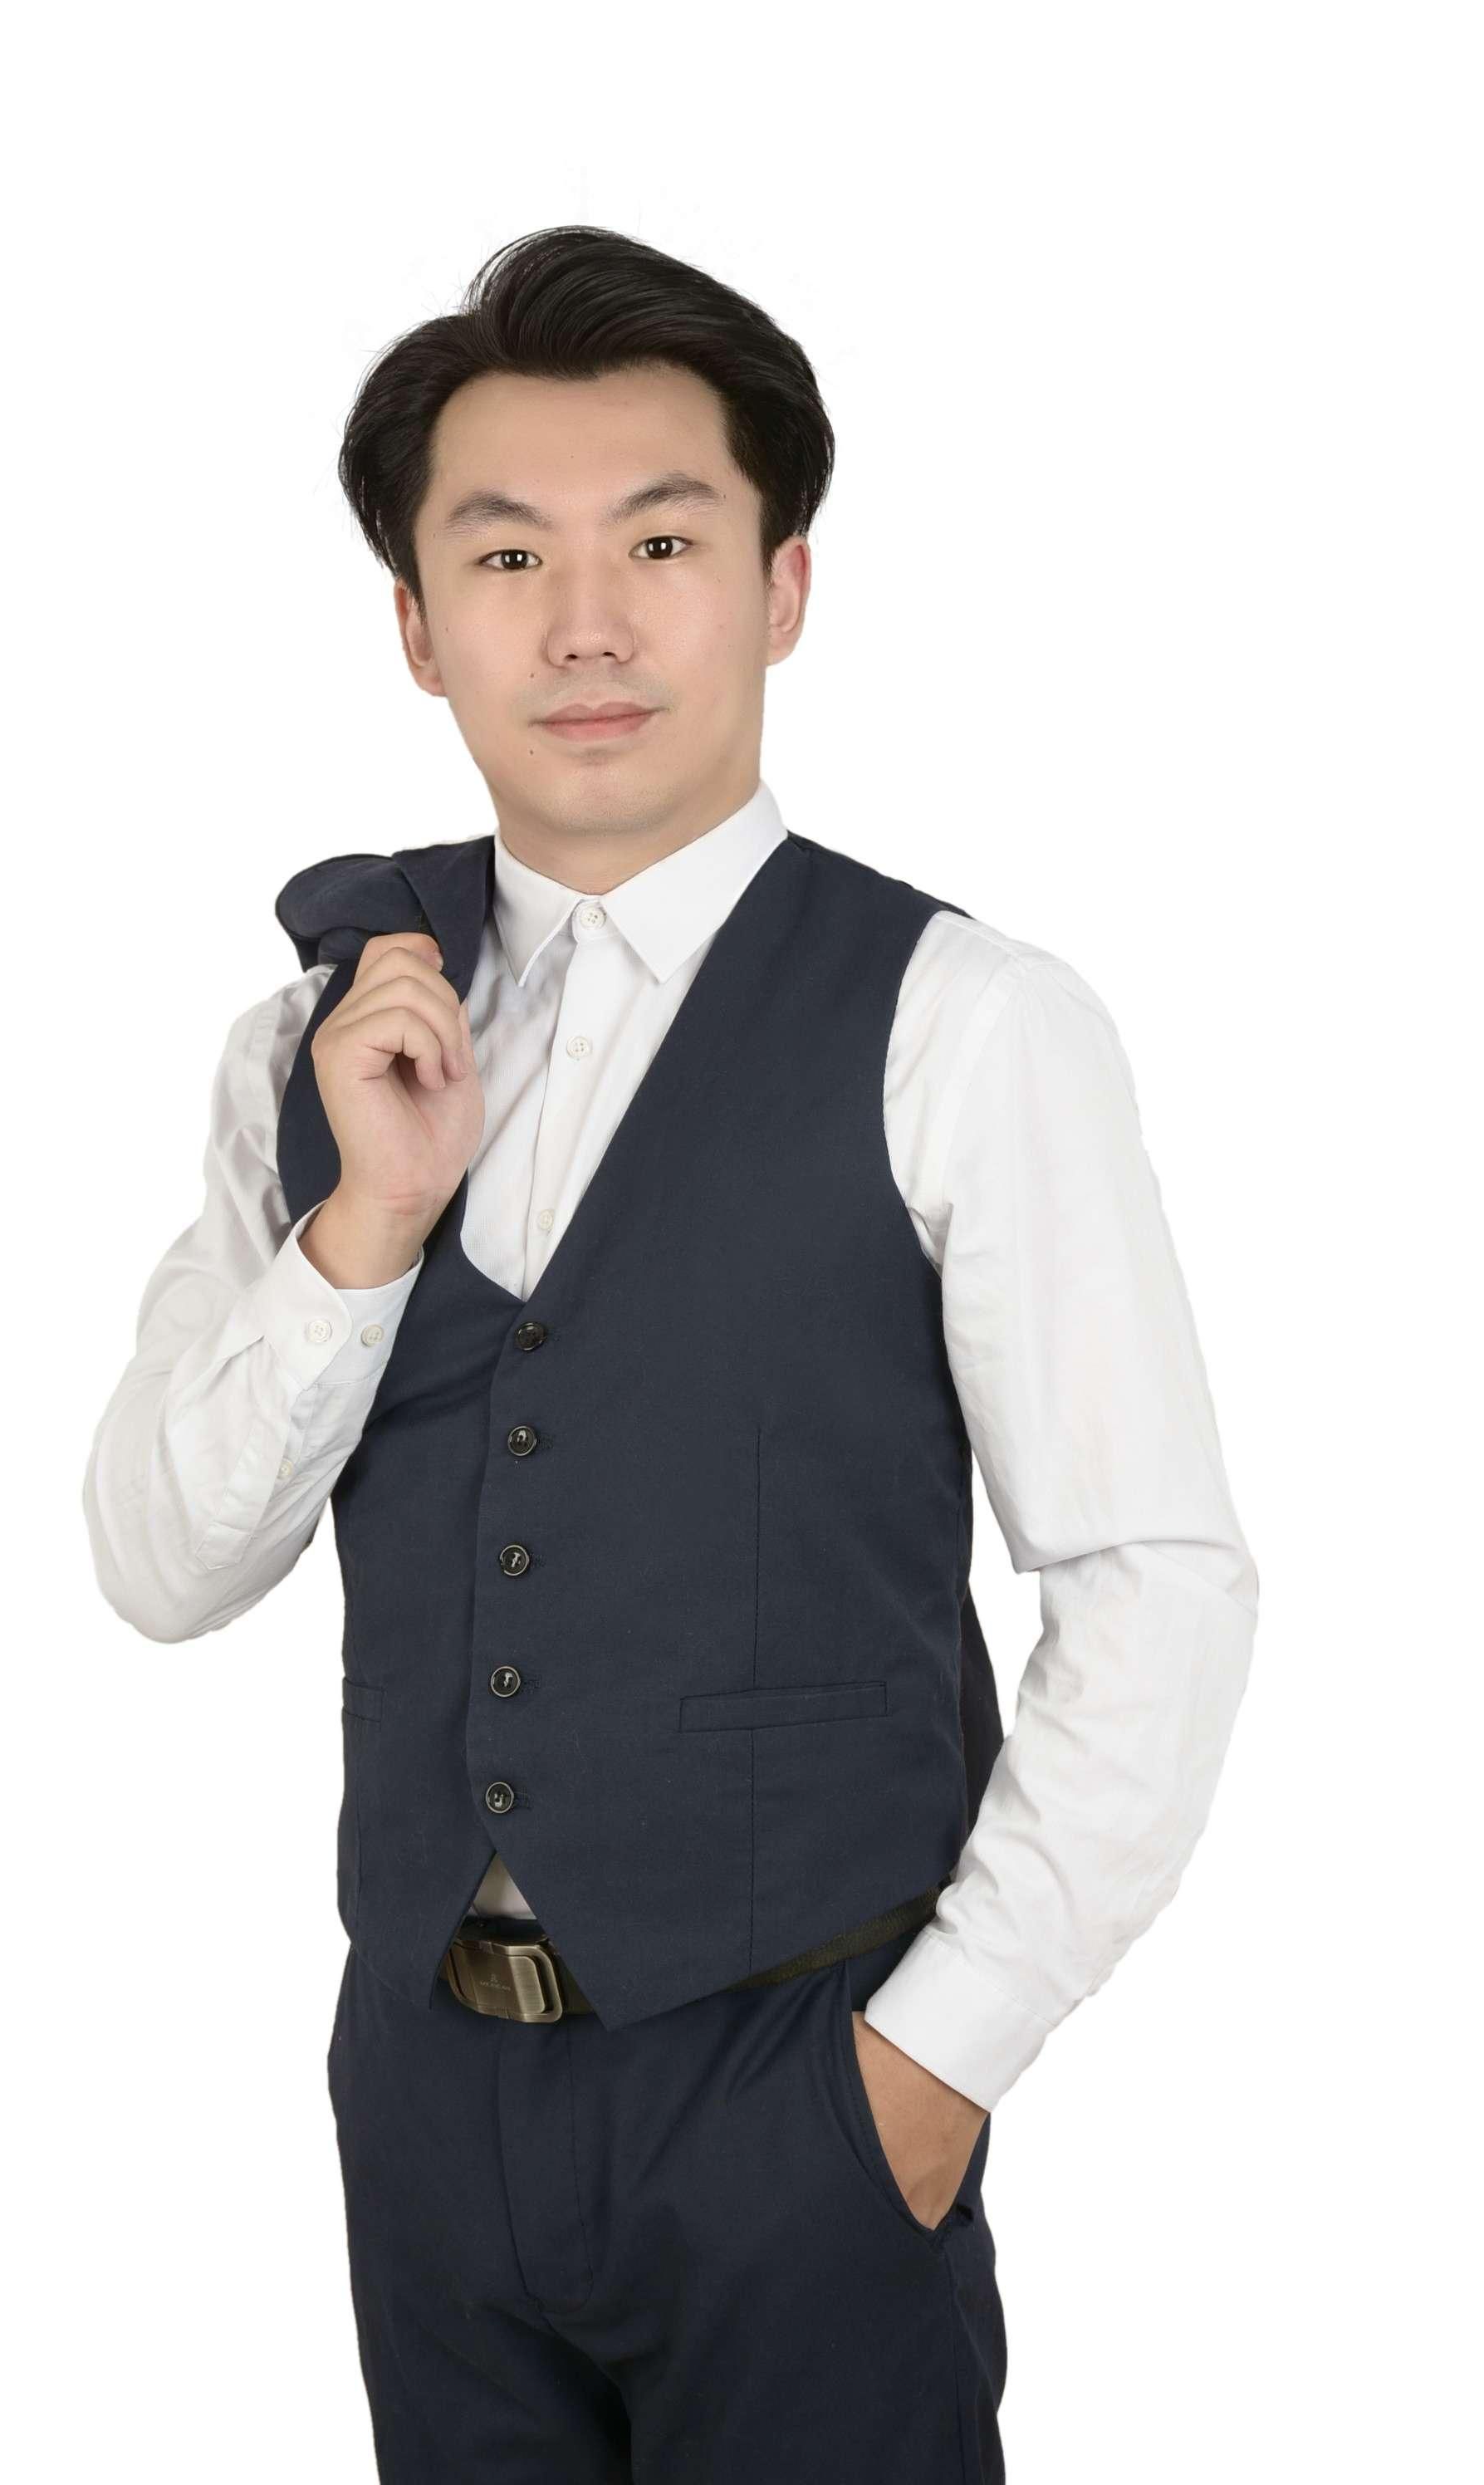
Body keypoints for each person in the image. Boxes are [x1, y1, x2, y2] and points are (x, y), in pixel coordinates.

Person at [83, 224, 1258, 2483]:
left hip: (802, 2086)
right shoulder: (307, 1046)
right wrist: (363, 1230)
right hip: (424, 2103)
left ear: (782, 586)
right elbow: (159, 1561)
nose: (588, 626)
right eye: (507, 555)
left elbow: (1158, 1584)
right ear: (418, 624)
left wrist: (929, 2070)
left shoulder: (968, 1025)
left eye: (662, 542)